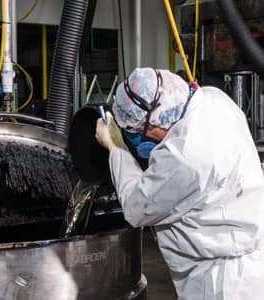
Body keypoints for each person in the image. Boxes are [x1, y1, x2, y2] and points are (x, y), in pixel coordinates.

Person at [95, 67, 264, 300]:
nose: (136, 137)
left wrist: (116, 148)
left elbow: (136, 206)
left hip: (219, 283)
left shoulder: (184, 158)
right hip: (249, 260)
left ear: (155, 124)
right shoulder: (214, 99)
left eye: (136, 130)